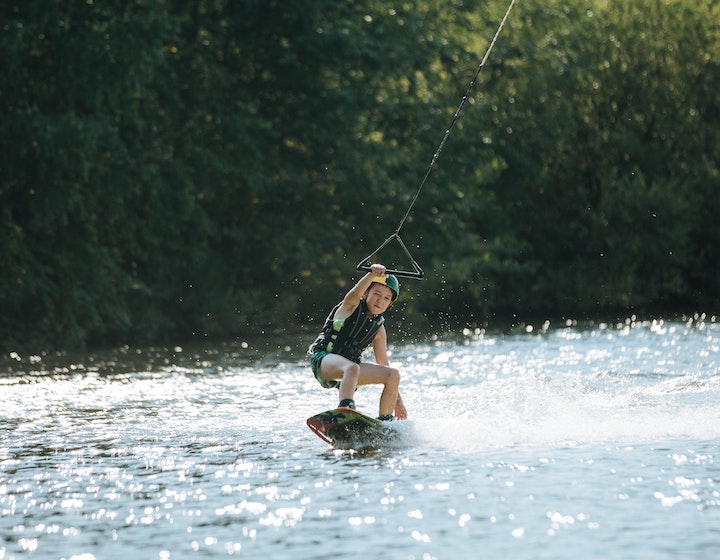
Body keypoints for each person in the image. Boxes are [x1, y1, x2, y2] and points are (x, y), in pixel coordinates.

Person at [309, 263, 407, 420]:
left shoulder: (379, 330)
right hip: (324, 361)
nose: (380, 301)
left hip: (350, 371)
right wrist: (371, 274)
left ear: (390, 304)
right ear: (365, 293)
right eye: (376, 294)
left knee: (393, 375)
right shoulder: (350, 306)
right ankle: (345, 409)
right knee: (352, 368)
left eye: (386, 298)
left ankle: (386, 422)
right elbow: (354, 292)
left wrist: (399, 402)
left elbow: (383, 363)